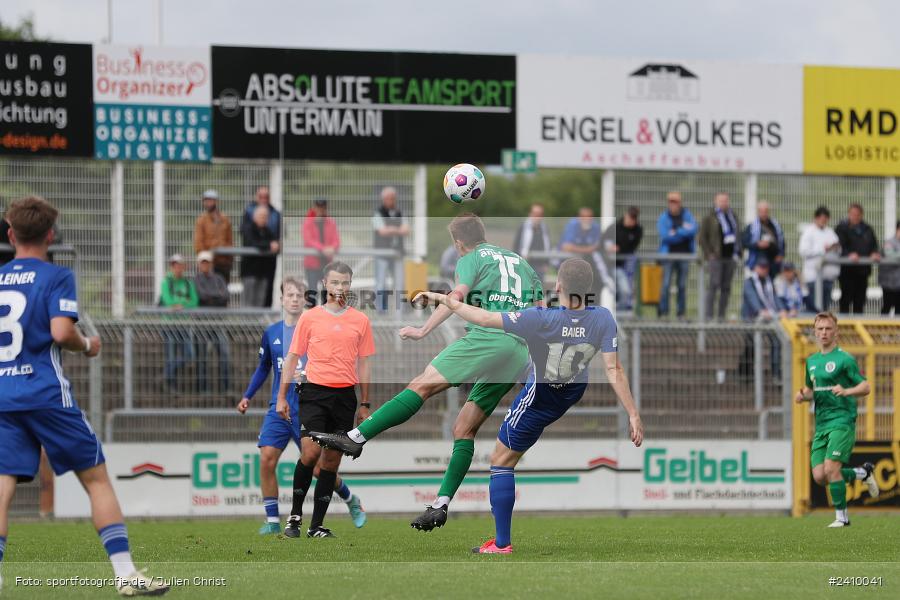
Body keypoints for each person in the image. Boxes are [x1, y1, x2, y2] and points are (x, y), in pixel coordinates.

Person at [311, 214, 543, 532]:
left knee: (421, 385)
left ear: (459, 243)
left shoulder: (472, 258)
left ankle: (355, 437)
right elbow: (542, 310)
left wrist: (423, 329)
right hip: (517, 350)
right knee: (464, 428)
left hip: (489, 338)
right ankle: (440, 504)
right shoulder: (520, 261)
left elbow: (456, 298)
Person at [412, 258, 643, 554]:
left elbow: (483, 319)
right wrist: (633, 414)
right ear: (589, 289)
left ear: (558, 285)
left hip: (540, 396)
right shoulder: (603, 318)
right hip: (571, 389)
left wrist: (445, 299)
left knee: (500, 459)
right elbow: (614, 370)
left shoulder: (540, 318)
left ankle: (501, 544)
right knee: (526, 363)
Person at [0, 196, 168, 595]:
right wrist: (87, 345)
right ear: (50, 235)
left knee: (2, 484)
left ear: (11, 235)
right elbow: (61, 333)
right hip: (44, 393)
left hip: (3, 394)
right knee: (96, 479)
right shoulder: (57, 276)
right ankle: (126, 575)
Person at [238, 278, 366, 534]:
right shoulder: (272, 332)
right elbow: (264, 368)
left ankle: (350, 499)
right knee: (266, 458)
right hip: (280, 405)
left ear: (306, 298)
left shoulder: (318, 325)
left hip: (310, 405)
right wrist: (248, 395)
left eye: (299, 295)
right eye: (290, 295)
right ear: (282, 299)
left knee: (318, 468)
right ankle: (273, 520)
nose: (295, 299)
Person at [277, 262, 374, 538]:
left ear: (350, 285)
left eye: (345, 283)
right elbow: (293, 357)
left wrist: (365, 403)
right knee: (309, 453)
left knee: (331, 463)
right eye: (335, 282)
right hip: (314, 393)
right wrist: (282, 396)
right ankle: (294, 518)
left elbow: (365, 363)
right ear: (324, 284)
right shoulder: (310, 318)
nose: (340, 288)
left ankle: (315, 526)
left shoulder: (361, 321)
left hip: (345, 397)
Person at [795, 311, 879, 527]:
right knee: (820, 476)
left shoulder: (845, 359)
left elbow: (866, 386)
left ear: (836, 332)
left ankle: (842, 518)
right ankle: (863, 472)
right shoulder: (812, 361)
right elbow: (811, 389)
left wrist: (847, 391)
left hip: (842, 420)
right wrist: (803, 395)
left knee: (831, 468)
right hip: (821, 423)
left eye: (828, 328)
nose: (824, 332)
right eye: (820, 329)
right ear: (815, 332)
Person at [159, 253, 198, 391]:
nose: (178, 268)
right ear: (171, 267)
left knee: (189, 355)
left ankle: (166, 374)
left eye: (180, 265)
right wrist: (183, 303)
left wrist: (181, 306)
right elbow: (167, 301)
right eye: (175, 265)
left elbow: (194, 301)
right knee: (170, 355)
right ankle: (170, 385)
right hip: (169, 325)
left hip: (184, 325)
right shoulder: (166, 282)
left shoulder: (188, 283)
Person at [193, 251, 231, 393]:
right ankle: (202, 389)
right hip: (202, 324)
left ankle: (225, 388)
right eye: (203, 262)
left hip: (218, 322)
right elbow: (201, 296)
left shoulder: (219, 279)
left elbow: (225, 296)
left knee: (224, 355)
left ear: (211, 264)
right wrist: (217, 298)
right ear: (199, 264)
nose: (205, 265)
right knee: (202, 357)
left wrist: (210, 298)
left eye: (207, 262)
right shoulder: (196, 280)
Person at [699, 192, 740, 321]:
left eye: (726, 200)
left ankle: (721, 316)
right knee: (713, 285)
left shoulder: (733, 216)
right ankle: (708, 316)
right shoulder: (710, 218)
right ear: (716, 201)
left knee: (726, 288)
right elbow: (702, 237)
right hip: (716, 258)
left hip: (730, 257)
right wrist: (709, 254)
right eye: (721, 201)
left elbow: (737, 234)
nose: (724, 203)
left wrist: (738, 251)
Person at [656, 191, 696, 318]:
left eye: (676, 202)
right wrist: (683, 233)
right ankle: (664, 312)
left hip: (684, 256)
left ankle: (681, 313)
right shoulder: (664, 217)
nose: (673, 204)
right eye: (671, 202)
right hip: (668, 256)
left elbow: (693, 230)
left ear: (680, 203)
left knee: (682, 285)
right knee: (666, 285)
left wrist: (676, 232)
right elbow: (666, 236)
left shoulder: (687, 215)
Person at [835, 203, 881, 314]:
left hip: (863, 272)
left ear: (861, 215)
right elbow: (838, 246)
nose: (855, 216)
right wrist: (848, 254)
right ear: (848, 214)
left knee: (859, 301)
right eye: (852, 214)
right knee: (846, 300)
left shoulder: (867, 229)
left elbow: (874, 245)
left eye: (857, 214)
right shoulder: (841, 228)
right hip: (847, 272)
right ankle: (844, 329)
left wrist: (874, 253)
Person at [242, 186, 281, 306]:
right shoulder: (249, 228)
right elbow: (252, 242)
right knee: (249, 301)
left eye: (265, 217)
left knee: (261, 300)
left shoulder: (268, 230)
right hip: (250, 270)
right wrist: (269, 245)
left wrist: (275, 244)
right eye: (260, 216)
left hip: (264, 270)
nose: (263, 219)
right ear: (254, 216)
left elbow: (275, 240)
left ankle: (258, 325)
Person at [372, 186, 409, 313]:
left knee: (400, 283)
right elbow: (382, 231)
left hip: (397, 254)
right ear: (383, 199)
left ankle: (400, 312)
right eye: (388, 198)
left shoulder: (399, 212)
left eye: (392, 198)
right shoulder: (378, 213)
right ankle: (381, 311)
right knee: (381, 284)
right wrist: (397, 230)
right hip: (382, 253)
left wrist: (391, 229)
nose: (390, 201)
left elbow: (406, 230)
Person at [798, 206, 841, 312]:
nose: (823, 221)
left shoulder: (830, 232)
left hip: (827, 276)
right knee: (814, 308)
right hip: (813, 277)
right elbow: (803, 251)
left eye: (826, 219)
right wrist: (823, 249)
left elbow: (838, 248)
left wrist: (834, 248)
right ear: (816, 218)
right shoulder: (808, 232)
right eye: (821, 219)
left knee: (825, 308)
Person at [560, 207, 606, 299]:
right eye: (584, 216)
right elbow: (566, 246)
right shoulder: (572, 225)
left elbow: (597, 246)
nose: (587, 219)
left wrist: (580, 249)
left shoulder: (595, 227)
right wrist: (587, 250)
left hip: (587, 268)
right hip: (567, 265)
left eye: (589, 217)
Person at [193, 189, 234, 282]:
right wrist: (204, 259)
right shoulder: (201, 220)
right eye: (206, 201)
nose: (208, 203)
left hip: (223, 262)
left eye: (210, 200)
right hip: (209, 263)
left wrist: (229, 258)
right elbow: (198, 242)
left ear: (216, 201)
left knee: (223, 290)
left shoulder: (225, 219)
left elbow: (230, 240)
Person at [302, 197, 341, 294]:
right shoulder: (308, 222)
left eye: (323, 207)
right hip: (312, 264)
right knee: (312, 293)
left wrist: (332, 247)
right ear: (314, 207)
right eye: (319, 207)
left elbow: (336, 240)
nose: (321, 210)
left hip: (327, 264)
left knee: (327, 295)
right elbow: (308, 240)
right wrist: (323, 248)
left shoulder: (330, 222)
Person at [742, 201, 785, 276]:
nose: (764, 214)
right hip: (758, 261)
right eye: (761, 211)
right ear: (758, 212)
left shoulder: (775, 226)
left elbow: (781, 241)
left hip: (773, 261)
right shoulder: (752, 227)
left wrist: (781, 254)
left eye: (766, 211)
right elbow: (744, 242)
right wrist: (757, 244)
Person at [513, 203, 551, 284]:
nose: (537, 217)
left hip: (540, 265)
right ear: (530, 214)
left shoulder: (544, 228)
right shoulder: (523, 227)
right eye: (535, 214)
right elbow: (516, 246)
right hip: (525, 263)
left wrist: (546, 262)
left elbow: (547, 246)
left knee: (538, 289)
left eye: (539, 214)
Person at [879, 221, 900, 315]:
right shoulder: (889, 242)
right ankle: (880, 328)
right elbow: (890, 255)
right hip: (889, 283)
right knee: (887, 306)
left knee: (899, 307)